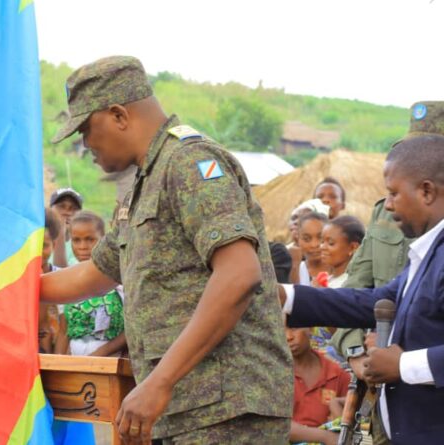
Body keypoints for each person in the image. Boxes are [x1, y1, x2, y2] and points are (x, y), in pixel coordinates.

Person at [41, 56, 292, 443]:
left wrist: (161, 381)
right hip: (186, 410)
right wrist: (6, 287)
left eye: (87, 130)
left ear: (119, 115)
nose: (85, 144)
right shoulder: (143, 184)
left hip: (226, 411)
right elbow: (95, 274)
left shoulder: (189, 163)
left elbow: (239, 275)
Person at [280, 101, 444, 445]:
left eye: (394, 193)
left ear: (427, 190)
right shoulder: (427, 249)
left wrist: (404, 365)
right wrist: (287, 297)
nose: (388, 204)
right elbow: (371, 300)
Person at [330, 200, 414, 445]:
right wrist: (357, 353)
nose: (390, 200)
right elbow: (355, 291)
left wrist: (400, 351)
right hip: (382, 394)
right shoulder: (388, 207)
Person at [55, 211, 126, 357]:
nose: (83, 246)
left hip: (112, 365)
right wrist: (56, 365)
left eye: (90, 239)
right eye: (76, 240)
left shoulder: (118, 280)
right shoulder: (67, 280)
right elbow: (64, 330)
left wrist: (101, 353)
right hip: (77, 367)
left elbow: (131, 329)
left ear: (104, 239)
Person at [286, 327, 349, 445]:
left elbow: (346, 425)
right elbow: (273, 426)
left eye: (294, 329)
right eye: (281, 330)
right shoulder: (273, 375)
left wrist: (335, 406)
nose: (288, 336)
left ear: (310, 329)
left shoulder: (338, 375)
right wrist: (325, 436)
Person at [39, 208, 62, 353]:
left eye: (43, 246)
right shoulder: (12, 282)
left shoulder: (62, 278)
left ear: (54, 245)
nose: (37, 252)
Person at [320, 216, 365, 289]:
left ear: (353, 247)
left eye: (331, 243)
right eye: (322, 241)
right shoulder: (328, 279)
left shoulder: (349, 285)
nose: (322, 247)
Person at [49, 187, 83, 267]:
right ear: (50, 209)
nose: (67, 212)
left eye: (73, 208)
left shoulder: (81, 244)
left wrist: (61, 233)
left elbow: (61, 273)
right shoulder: (37, 239)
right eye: (61, 206)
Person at [296, 212, 329, 286]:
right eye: (306, 239)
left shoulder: (343, 273)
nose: (314, 245)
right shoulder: (295, 272)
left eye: (320, 238)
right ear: (298, 240)